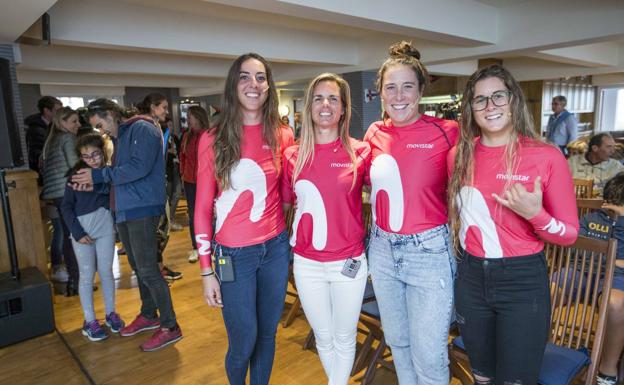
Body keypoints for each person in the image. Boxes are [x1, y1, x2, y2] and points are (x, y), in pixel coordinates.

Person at [447, 64, 579, 384]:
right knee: (481, 376)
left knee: (516, 380)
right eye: (480, 100)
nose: (490, 106)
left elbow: (570, 234)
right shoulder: (457, 156)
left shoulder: (546, 157)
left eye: (498, 96)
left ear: (514, 100)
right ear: (471, 108)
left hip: (522, 281)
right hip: (472, 277)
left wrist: (536, 214)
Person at [195, 52, 294, 385]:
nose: (254, 84)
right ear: (233, 85)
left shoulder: (282, 134)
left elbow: (286, 195)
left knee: (267, 335)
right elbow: (201, 208)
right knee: (244, 341)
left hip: (276, 249)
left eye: (261, 77)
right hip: (233, 255)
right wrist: (206, 270)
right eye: (245, 77)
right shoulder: (213, 138)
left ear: (269, 86)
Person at [364, 41, 458, 384]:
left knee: (429, 356)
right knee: (399, 345)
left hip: (429, 253)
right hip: (382, 249)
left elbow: (468, 186)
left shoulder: (446, 133)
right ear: (381, 93)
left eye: (407, 87)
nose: (399, 95)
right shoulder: (374, 132)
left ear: (420, 90)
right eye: (391, 87)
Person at [71, 98, 182, 352]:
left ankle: (170, 326)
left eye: (101, 124)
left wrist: (99, 175)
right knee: (138, 268)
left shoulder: (142, 128)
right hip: (125, 209)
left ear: (111, 113)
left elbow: (138, 168)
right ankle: (148, 314)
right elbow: (121, 173)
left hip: (142, 208)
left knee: (149, 270)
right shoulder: (121, 136)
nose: (101, 132)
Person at [281, 73, 369, 385]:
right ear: (309, 107)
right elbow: (286, 205)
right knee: (323, 337)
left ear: (343, 108)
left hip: (349, 262)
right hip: (307, 264)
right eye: (318, 98)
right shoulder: (292, 155)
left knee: (345, 339)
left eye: (333, 98)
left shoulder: (361, 153)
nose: (325, 105)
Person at [61, 134, 124, 341]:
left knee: (106, 271)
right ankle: (89, 321)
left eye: (95, 154)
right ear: (80, 157)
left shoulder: (109, 174)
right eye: (86, 156)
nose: (92, 159)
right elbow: (66, 207)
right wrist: (77, 232)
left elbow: (113, 198)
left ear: (103, 151)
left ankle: (110, 313)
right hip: (82, 233)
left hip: (105, 228)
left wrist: (100, 187)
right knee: (86, 275)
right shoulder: (75, 175)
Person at [578, 172, 624, 385]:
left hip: (616, 278)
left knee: (615, 304)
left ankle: (608, 369)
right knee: (546, 288)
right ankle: (540, 351)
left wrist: (620, 224)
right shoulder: (591, 218)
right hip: (582, 272)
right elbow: (579, 252)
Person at [136, 93, 183, 281]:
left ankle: (159, 267)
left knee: (161, 230)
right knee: (159, 231)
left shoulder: (156, 127)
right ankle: (156, 270)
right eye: (163, 107)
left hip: (156, 187)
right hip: (151, 190)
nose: (166, 111)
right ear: (153, 108)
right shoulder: (147, 128)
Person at [41, 106, 81, 294]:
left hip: (56, 194)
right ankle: (77, 281)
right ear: (63, 123)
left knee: (67, 235)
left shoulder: (51, 141)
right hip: (66, 192)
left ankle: (74, 281)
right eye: (74, 121)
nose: (78, 125)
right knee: (74, 236)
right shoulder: (67, 138)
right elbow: (75, 167)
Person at [179, 106, 210, 263]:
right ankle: (196, 247)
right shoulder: (186, 136)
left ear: (197, 117)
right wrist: (183, 174)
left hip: (206, 181)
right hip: (190, 181)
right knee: (193, 215)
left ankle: (210, 245)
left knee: (208, 213)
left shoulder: (209, 135)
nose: (188, 119)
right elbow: (183, 157)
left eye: (190, 116)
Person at [25, 96, 62, 175]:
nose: (60, 114)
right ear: (46, 111)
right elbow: (36, 154)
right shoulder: (36, 130)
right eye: (57, 111)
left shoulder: (53, 126)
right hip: (44, 174)